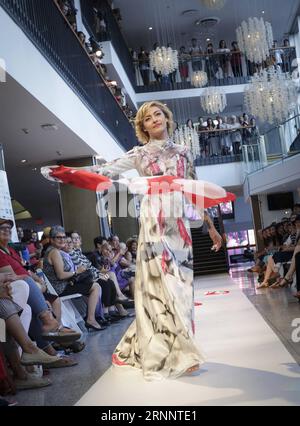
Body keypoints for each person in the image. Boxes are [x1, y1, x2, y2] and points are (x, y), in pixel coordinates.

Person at [42, 101, 226, 381]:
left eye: (158, 114)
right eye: (148, 118)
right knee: (158, 291)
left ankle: (158, 344)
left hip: (179, 229)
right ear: (143, 126)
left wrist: (211, 228)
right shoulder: (139, 154)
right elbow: (105, 172)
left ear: (166, 118)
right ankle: (176, 354)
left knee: (181, 291)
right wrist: (68, 174)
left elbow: (195, 192)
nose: (154, 120)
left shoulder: (184, 153)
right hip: (153, 228)